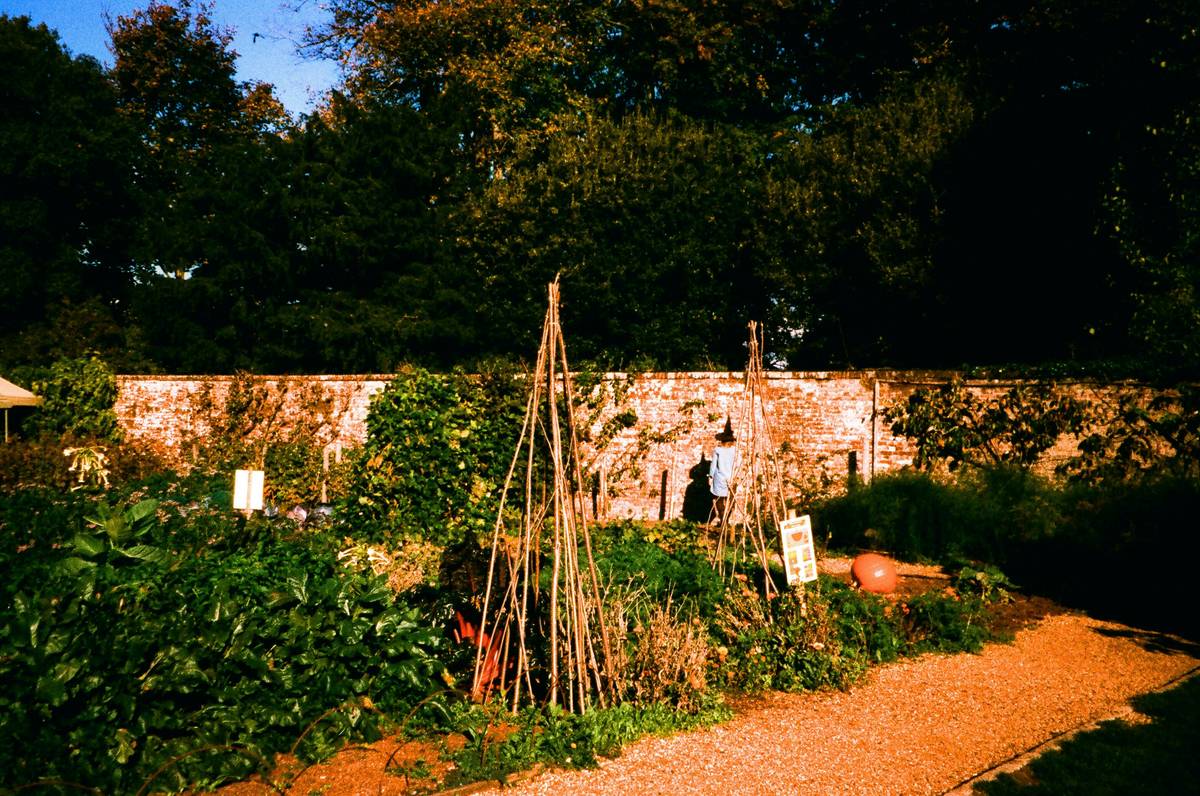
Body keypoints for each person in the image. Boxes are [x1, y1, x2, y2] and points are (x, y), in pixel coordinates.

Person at [708, 417, 737, 525]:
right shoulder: (735, 451)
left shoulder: (718, 450)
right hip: (732, 478)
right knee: (731, 500)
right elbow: (738, 464)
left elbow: (713, 465)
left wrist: (710, 477)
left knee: (719, 500)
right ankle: (726, 519)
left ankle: (723, 519)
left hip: (720, 478)